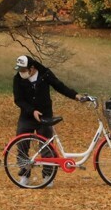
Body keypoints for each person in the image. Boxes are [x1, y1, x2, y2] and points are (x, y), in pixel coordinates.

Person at [13, 54, 86, 186]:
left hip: (45, 115)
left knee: (46, 146)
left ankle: (47, 175)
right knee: (22, 146)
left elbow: (59, 86)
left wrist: (75, 96)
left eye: (24, 70)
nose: (21, 73)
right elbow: (18, 99)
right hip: (27, 116)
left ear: (32, 68)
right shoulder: (17, 79)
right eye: (20, 70)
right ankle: (25, 173)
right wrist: (32, 111)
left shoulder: (45, 74)